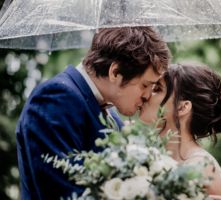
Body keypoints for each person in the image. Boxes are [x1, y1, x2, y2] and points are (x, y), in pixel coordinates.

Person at [16, 27, 171, 200]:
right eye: (145, 85)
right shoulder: (56, 98)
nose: (148, 96)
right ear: (115, 72)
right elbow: (63, 190)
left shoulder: (111, 114)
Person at [139, 63, 221, 200]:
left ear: (182, 107)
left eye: (157, 89)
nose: (146, 94)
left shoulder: (200, 167)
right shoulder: (149, 156)